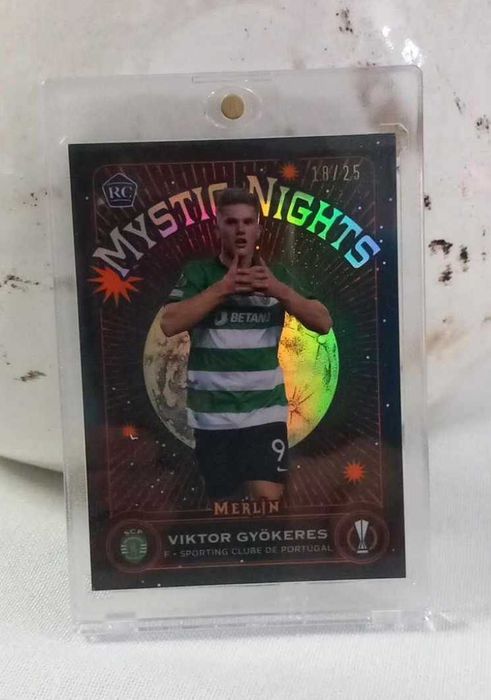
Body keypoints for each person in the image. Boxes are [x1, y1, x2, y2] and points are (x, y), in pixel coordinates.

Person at [161, 188, 332, 502]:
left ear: (258, 229)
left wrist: (278, 290)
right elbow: (169, 323)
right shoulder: (199, 273)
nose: (240, 229)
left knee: (267, 498)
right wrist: (221, 290)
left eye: (247, 222)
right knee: (222, 504)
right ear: (218, 229)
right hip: (212, 415)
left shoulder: (277, 275)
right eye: (231, 222)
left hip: (264, 412)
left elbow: (323, 322)